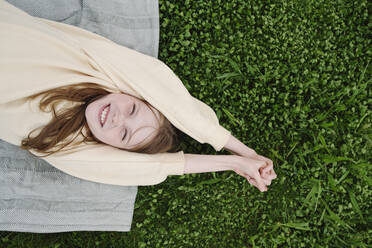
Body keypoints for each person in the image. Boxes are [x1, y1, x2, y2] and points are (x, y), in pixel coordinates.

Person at [0, 0, 276, 192]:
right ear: (132, 92)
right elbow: (166, 93)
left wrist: (234, 163)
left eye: (124, 136)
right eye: (133, 109)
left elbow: (150, 167)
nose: (117, 119)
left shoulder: (69, 146)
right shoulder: (98, 69)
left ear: (114, 150)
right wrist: (240, 148)